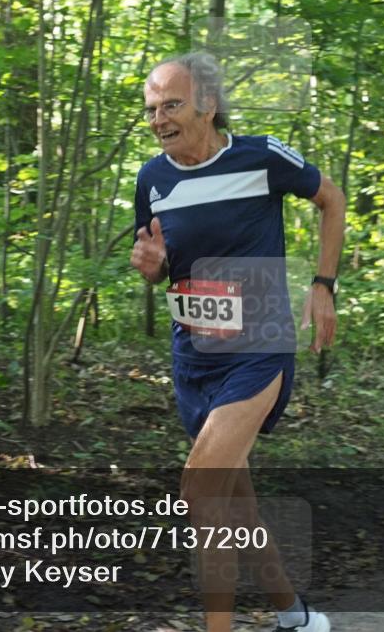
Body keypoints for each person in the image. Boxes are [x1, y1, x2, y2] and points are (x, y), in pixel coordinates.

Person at [130, 52, 345, 632]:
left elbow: (332, 199)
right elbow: (158, 263)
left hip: (258, 348)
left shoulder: (261, 156)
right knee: (234, 502)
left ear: (208, 105)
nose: (158, 119)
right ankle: (294, 616)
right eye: (151, 109)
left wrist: (323, 285)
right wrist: (150, 267)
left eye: (171, 105)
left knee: (201, 491)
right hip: (193, 354)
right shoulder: (153, 178)